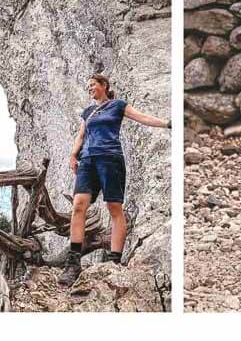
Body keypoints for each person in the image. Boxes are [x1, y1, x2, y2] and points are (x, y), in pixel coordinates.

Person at [59, 71, 171, 286]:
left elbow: (142, 117)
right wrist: (73, 155)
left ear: (104, 85)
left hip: (110, 159)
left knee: (114, 208)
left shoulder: (117, 105)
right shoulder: (88, 112)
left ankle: (114, 260)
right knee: (78, 206)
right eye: (88, 86)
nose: (90, 88)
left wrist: (167, 123)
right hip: (88, 161)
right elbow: (81, 136)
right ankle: (73, 263)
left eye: (92, 84)